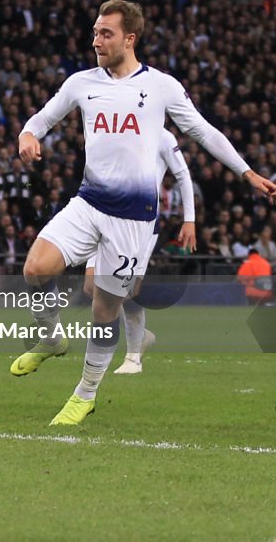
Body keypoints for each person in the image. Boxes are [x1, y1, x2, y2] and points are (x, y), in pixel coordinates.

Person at [16, 0, 276, 426]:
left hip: (134, 221)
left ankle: (85, 394)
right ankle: (50, 340)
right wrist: (28, 135)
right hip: (88, 202)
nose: (96, 40)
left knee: (104, 307)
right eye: (95, 31)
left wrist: (247, 173)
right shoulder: (81, 83)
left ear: (129, 38)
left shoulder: (161, 87)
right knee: (35, 268)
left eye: (106, 33)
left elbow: (203, 131)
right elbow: (42, 118)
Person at [81, 128, 197, 375]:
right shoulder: (113, 129)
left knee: (127, 290)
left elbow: (183, 175)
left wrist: (190, 220)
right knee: (91, 287)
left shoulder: (163, 137)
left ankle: (134, 356)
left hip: (141, 223)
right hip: (102, 213)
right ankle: (141, 336)